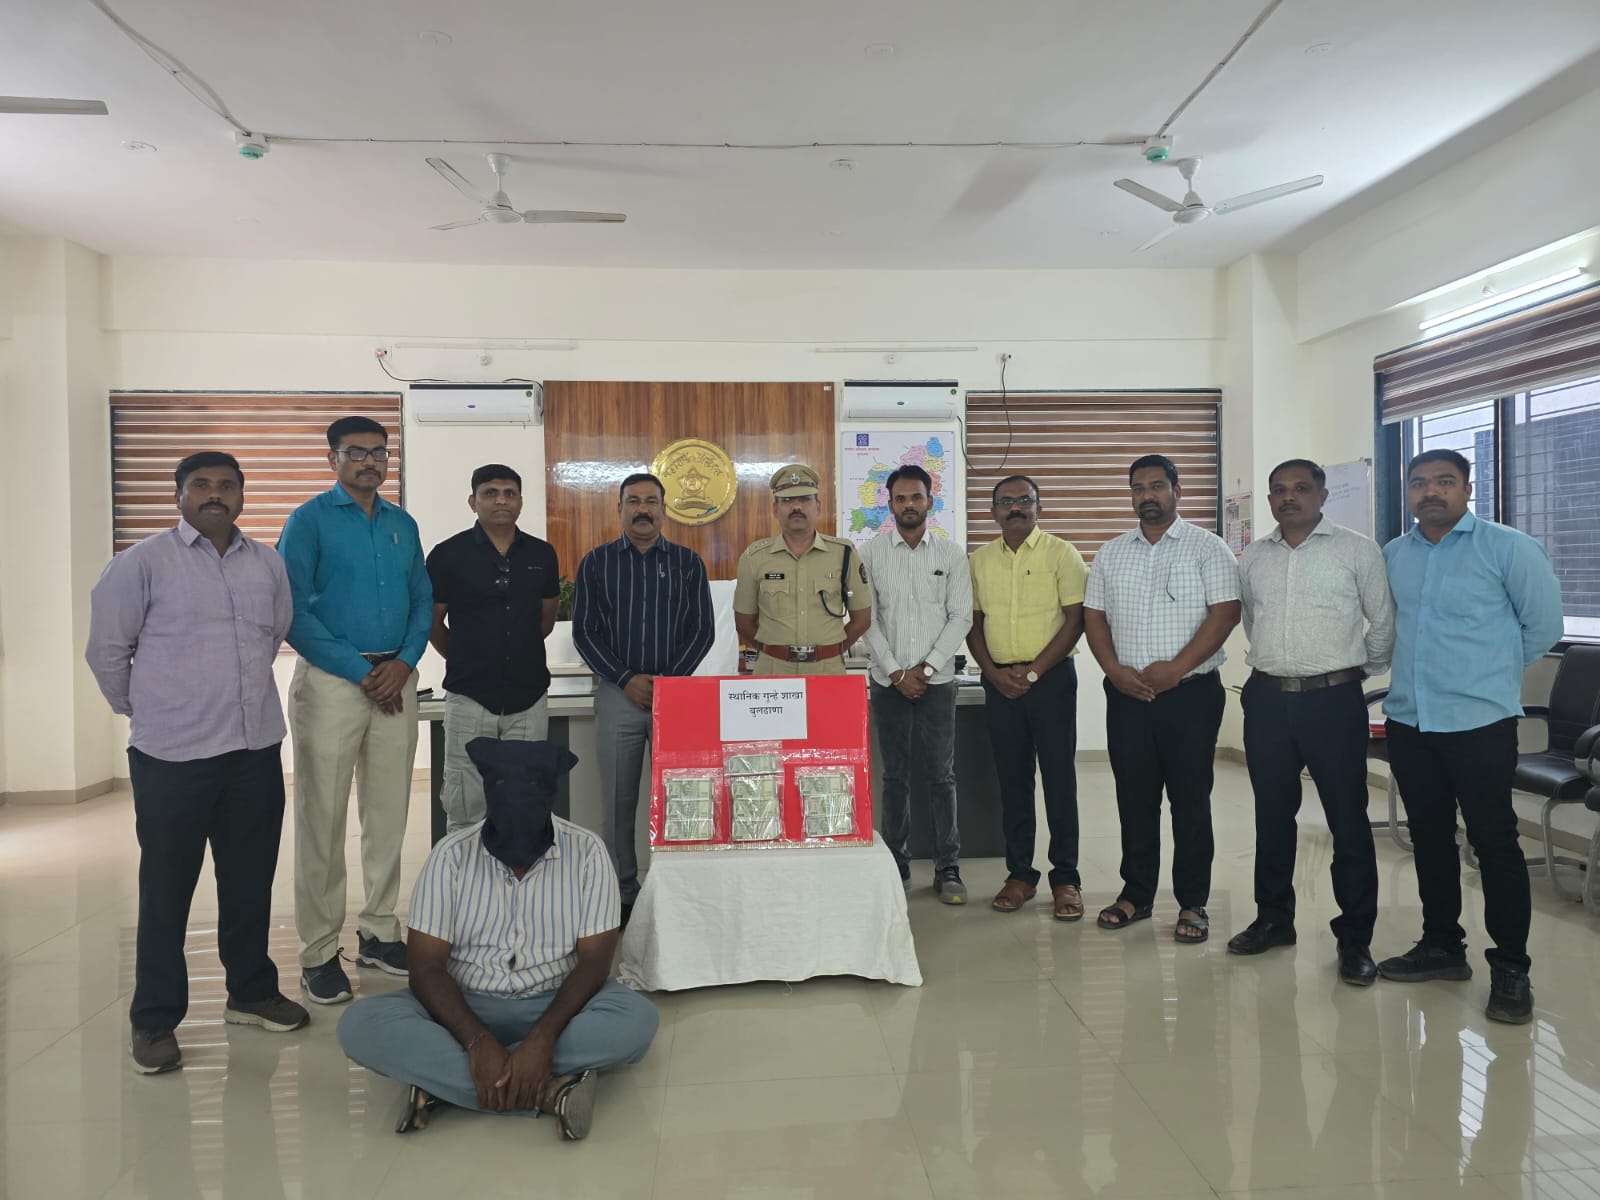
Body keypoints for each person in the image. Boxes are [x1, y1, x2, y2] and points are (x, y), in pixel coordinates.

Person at [86, 451, 310, 1075]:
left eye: (227, 485)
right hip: (172, 756)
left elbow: (275, 633)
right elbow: (107, 651)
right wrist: (150, 709)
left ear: (242, 495)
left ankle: (251, 992)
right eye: (202, 485)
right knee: (167, 888)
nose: (216, 494)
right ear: (178, 495)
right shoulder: (141, 563)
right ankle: (155, 1019)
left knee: (250, 881)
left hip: (253, 750)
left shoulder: (267, 563)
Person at [336, 737, 658, 1142]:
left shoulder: (588, 853)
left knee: (637, 1020)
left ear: (549, 800)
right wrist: (476, 1041)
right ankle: (549, 1091)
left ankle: (446, 1085)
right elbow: (426, 968)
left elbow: (595, 963)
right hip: (462, 1005)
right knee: (360, 1025)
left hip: (556, 1005)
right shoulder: (451, 856)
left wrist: (542, 1039)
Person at [1378, 448, 1563, 1024]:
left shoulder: (1509, 548)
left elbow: (1543, 628)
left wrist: (1486, 674)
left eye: (1444, 481)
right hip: (1411, 722)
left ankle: (1510, 968)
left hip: (1480, 723)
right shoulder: (1394, 554)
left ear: (1467, 488)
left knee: (1494, 843)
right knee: (1429, 838)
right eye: (1419, 482)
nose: (1430, 491)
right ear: (1408, 492)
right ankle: (1442, 945)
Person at [278, 416, 432, 1005]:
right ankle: (319, 951)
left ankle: (379, 931)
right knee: (322, 817)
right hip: (333, 683)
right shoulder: (309, 521)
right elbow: (291, 609)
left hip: (396, 679)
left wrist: (405, 662)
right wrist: (358, 669)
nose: (371, 461)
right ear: (333, 459)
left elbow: (422, 600)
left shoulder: (401, 524)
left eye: (379, 452)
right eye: (357, 452)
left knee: (389, 812)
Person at [1230, 459, 1395, 985]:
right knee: (1272, 816)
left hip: (1333, 703)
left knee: (1347, 819)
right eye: (1279, 490)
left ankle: (1355, 939)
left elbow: (1383, 622)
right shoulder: (1254, 556)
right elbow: (1252, 620)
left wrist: (1352, 671)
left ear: (1322, 495)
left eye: (1301, 488)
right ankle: (1274, 919)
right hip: (1268, 700)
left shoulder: (1357, 549)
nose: (1289, 497)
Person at [1085, 454, 1240, 944]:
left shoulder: (1208, 547)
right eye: (1138, 488)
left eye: (1156, 486)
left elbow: (1225, 613)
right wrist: (1114, 671)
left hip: (1190, 696)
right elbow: (1094, 617)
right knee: (1134, 799)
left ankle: (1193, 901)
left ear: (1177, 491)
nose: (1147, 495)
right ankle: (1136, 893)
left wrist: (1176, 669)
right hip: (1127, 696)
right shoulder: (1111, 552)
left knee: (1190, 800)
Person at [572, 472, 714, 916]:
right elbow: (584, 632)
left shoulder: (689, 563)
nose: (642, 510)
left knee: (680, 795)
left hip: (676, 696)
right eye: (632, 501)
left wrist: (668, 682)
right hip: (619, 694)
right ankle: (621, 891)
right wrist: (626, 678)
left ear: (664, 510)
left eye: (651, 501)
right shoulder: (596, 563)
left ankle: (676, 887)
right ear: (619, 509)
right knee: (618, 800)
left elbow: (702, 631)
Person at [966, 475, 1089, 918]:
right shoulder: (978, 561)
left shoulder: (1062, 553)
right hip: (999, 683)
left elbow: (1076, 620)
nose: (1015, 507)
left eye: (1024, 500)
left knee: (1059, 780)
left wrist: (1034, 671)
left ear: (1039, 506)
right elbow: (972, 623)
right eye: (1006, 501)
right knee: (1013, 781)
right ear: (993, 511)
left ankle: (1066, 877)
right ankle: (1020, 874)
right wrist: (992, 674)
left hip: (1051, 681)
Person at [860, 465, 974, 902]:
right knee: (894, 778)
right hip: (887, 684)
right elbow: (867, 620)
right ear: (890, 504)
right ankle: (896, 864)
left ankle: (948, 868)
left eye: (916, 497)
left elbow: (960, 616)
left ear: (930, 501)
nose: (909, 505)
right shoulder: (871, 555)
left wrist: (924, 671)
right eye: (901, 498)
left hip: (937, 683)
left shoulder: (950, 554)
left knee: (942, 776)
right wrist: (895, 672)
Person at [427, 465, 560, 833]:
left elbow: (545, 621)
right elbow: (433, 623)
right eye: (490, 493)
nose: (501, 500)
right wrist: (465, 658)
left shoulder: (542, 554)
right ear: (473, 502)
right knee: (465, 807)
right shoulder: (448, 555)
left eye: (509, 493)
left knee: (524, 804)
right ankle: (466, 871)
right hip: (469, 697)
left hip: (527, 698)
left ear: (520, 502)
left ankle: (518, 872)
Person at [733, 463, 871, 675]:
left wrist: (830, 651)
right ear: (775, 508)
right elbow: (743, 622)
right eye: (787, 500)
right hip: (773, 669)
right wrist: (774, 652)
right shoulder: (754, 557)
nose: (796, 507)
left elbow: (862, 618)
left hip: (827, 669)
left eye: (805, 499)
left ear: (818, 506)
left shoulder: (844, 553)